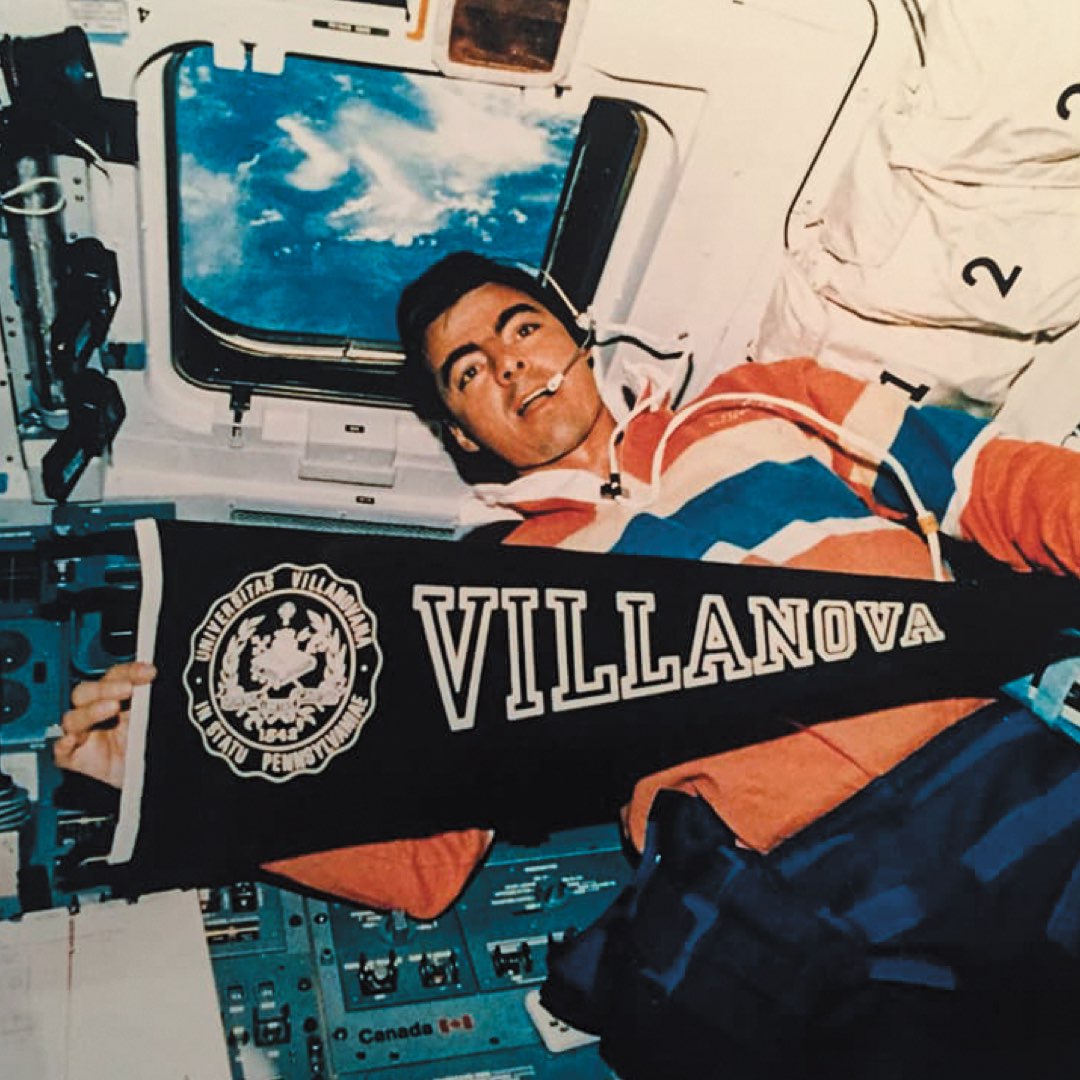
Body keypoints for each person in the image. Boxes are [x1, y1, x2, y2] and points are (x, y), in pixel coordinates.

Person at [57, 252, 1080, 1077]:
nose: (504, 366)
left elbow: (992, 483)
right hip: (788, 893)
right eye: (466, 373)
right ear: (465, 433)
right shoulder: (495, 583)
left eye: (519, 327)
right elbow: (423, 863)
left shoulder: (762, 404)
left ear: (577, 336)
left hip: (985, 775)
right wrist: (169, 773)